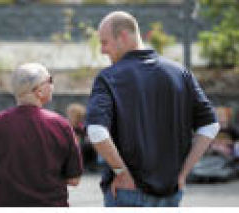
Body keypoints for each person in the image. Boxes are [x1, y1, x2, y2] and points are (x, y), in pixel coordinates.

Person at [85, 11, 220, 207]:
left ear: (123, 36)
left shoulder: (108, 77)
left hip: (127, 192)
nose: (103, 51)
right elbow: (210, 126)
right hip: (171, 193)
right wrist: (183, 174)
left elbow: (96, 131)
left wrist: (123, 174)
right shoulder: (180, 73)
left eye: (104, 42)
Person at [0, 63, 83, 207]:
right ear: (38, 91)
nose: (52, 85)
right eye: (49, 80)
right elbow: (74, 179)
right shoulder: (61, 125)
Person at [66, 103, 97, 172]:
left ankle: (89, 165)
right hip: (72, 146)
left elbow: (87, 136)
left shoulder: (82, 126)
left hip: (82, 145)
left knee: (90, 146)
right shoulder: (67, 125)